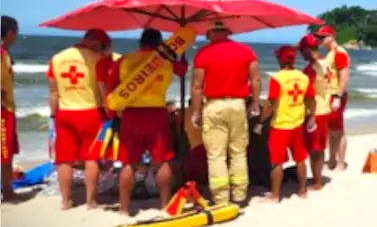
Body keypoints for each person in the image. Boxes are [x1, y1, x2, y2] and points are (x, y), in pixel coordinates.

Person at [107, 28, 187, 215]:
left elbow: (112, 92)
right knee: (162, 161)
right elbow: (183, 71)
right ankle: (165, 206)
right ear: (159, 43)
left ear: (140, 42)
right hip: (156, 113)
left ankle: (124, 209)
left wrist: (114, 117)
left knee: (128, 162)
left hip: (131, 114)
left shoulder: (124, 60)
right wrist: (181, 54)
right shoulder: (167, 60)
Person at [189, 22, 261, 206]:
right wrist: (254, 102)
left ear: (211, 33)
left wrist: (196, 112)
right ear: (228, 32)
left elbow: (197, 86)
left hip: (214, 105)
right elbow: (255, 79)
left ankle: (221, 197)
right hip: (238, 104)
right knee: (238, 152)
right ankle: (239, 194)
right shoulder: (246, 51)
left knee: (216, 154)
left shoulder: (203, 53)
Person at [47, 29, 114, 209]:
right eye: (103, 45)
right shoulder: (99, 60)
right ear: (97, 43)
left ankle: (66, 201)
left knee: (64, 159)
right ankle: (91, 201)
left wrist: (53, 115)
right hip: (91, 112)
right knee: (91, 157)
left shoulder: (57, 58)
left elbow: (53, 93)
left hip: (65, 113)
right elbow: (103, 89)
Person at [257, 46, 315, 201]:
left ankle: (275, 195)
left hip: (281, 125)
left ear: (280, 59)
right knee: (300, 159)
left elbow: (270, 104)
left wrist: (260, 122)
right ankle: (302, 191)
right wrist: (311, 118)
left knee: (277, 162)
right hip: (297, 124)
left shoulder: (277, 78)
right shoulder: (303, 77)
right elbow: (311, 100)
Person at [314, 25, 350, 171]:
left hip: (336, 95)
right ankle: (331, 159)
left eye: (322, 37)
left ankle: (340, 162)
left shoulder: (339, 53)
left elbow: (344, 76)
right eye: (319, 37)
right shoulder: (328, 54)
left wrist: (338, 97)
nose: (320, 40)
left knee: (338, 130)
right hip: (327, 96)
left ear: (331, 37)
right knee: (330, 131)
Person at [299, 34, 332, 190]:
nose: (300, 54)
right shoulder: (325, 64)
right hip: (325, 108)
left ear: (307, 50)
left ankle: (317, 182)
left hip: (315, 112)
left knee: (314, 149)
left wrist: (309, 116)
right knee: (320, 147)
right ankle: (318, 179)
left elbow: (309, 95)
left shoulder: (309, 70)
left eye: (302, 50)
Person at [1, 16, 19, 200]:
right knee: (5, 153)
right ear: (11, 33)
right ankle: (7, 191)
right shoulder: (1, 53)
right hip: (3, 111)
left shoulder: (4, 53)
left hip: (7, 108)